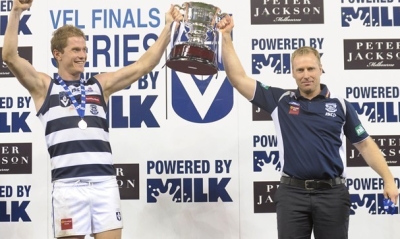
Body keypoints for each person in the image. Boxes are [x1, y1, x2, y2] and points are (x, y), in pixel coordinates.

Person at [2, 0, 183, 238]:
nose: (83, 55)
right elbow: (10, 56)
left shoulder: (99, 85)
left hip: (104, 185)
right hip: (68, 188)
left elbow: (143, 65)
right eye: (76, 50)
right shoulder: (45, 87)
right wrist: (16, 12)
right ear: (57, 54)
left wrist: (168, 27)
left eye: (85, 50)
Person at [217, 15, 399, 239]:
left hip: (332, 194)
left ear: (321, 69)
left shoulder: (340, 105)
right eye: (300, 70)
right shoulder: (280, 100)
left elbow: (365, 145)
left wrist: (388, 179)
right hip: (292, 194)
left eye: (311, 69)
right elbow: (238, 78)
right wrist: (226, 36)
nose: (306, 75)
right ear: (292, 73)